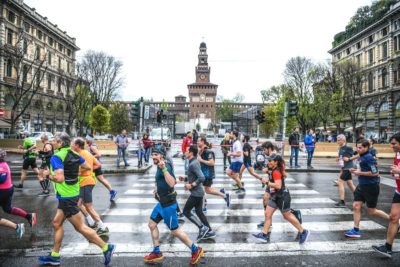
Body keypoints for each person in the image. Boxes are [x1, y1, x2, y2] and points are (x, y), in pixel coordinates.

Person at [38, 133, 115, 266]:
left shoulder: (57, 156)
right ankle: (55, 256)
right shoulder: (74, 154)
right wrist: (73, 173)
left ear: (61, 143)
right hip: (71, 193)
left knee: (80, 227)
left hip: (67, 196)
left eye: (55, 141)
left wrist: (47, 175)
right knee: (56, 223)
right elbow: (87, 167)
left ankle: (106, 247)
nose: (53, 143)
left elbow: (60, 178)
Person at [144, 146, 204, 265]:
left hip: (168, 204)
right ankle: (156, 252)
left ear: (161, 155)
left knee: (175, 231)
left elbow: (172, 182)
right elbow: (160, 180)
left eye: (156, 154)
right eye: (153, 154)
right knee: (151, 224)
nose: (153, 156)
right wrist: (157, 188)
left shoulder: (165, 166)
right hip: (161, 203)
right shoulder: (159, 165)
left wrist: (164, 170)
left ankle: (195, 249)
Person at [252, 154, 310, 244]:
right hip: (274, 196)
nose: (269, 162)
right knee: (267, 214)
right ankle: (264, 235)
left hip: (282, 197)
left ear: (276, 162)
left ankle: (303, 231)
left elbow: (278, 186)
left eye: (271, 161)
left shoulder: (276, 172)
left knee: (287, 216)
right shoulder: (272, 169)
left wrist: (266, 182)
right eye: (268, 160)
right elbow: (268, 172)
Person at [344, 140, 389, 238]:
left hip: (371, 186)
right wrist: (355, 170)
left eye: (360, 147)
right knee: (356, 206)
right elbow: (363, 170)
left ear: (366, 147)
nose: (358, 149)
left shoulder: (369, 158)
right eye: (357, 147)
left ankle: (394, 221)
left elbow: (375, 173)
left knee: (372, 211)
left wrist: (359, 173)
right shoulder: (361, 156)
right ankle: (356, 230)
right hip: (362, 185)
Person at [72, 138, 109, 236]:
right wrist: (90, 170)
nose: (71, 145)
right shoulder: (87, 153)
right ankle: (91, 222)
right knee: (78, 204)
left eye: (73, 143)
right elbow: (98, 164)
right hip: (88, 180)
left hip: (85, 182)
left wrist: (82, 171)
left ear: (77, 145)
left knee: (88, 207)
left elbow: (85, 167)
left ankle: (102, 227)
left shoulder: (80, 154)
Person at [372, 132, 400, 258]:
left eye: (394, 143)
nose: (391, 145)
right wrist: (395, 173)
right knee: (393, 217)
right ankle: (387, 248)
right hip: (399, 190)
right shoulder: (397, 154)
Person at [179, 145, 215, 241]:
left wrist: (191, 185)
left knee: (186, 211)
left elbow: (202, 177)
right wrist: (185, 178)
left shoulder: (193, 163)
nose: (185, 152)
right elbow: (195, 176)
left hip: (196, 193)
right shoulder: (193, 161)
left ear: (191, 153)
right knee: (199, 212)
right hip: (199, 192)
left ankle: (202, 228)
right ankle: (210, 231)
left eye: (186, 151)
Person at [0, 149, 36, 229]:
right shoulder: (2, 164)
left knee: (8, 209)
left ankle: (17, 227)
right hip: (6, 190)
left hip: (3, 191)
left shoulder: (2, 166)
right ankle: (29, 216)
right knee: (8, 209)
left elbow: (2, 179)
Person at [197, 137, 230, 209]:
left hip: (207, 174)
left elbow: (212, 163)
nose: (197, 142)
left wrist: (201, 160)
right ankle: (224, 195)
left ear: (203, 142)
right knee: (207, 190)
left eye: (198, 141)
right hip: (203, 173)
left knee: (202, 189)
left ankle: (203, 206)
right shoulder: (202, 151)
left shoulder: (208, 151)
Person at [86, 135, 117, 202]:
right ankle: (112, 191)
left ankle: (85, 195)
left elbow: (99, 154)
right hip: (95, 164)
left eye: (87, 139)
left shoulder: (92, 146)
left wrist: (90, 157)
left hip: (95, 165)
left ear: (90, 140)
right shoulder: (92, 145)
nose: (86, 140)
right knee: (101, 179)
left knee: (91, 180)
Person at [333, 134, 356, 208]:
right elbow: (341, 157)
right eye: (337, 139)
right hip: (344, 168)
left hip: (348, 168)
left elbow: (357, 155)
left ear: (344, 140)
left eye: (339, 140)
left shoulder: (348, 147)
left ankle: (342, 202)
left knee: (340, 182)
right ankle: (360, 198)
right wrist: (338, 159)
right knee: (350, 183)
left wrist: (349, 159)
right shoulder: (340, 148)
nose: (337, 141)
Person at [226, 130, 245, 194]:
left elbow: (239, 154)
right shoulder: (234, 142)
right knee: (228, 172)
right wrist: (232, 153)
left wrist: (231, 154)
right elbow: (236, 152)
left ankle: (242, 188)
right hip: (234, 161)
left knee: (236, 176)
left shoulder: (237, 143)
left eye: (231, 134)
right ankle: (239, 182)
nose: (229, 135)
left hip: (238, 161)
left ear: (234, 135)